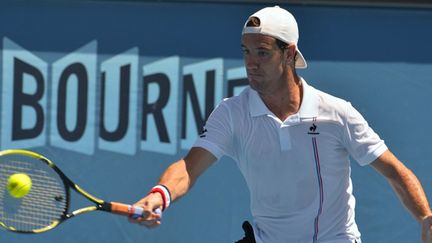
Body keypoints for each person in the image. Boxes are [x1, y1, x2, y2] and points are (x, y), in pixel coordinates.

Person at [129, 5, 432, 243]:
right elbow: (188, 167)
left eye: (262, 52)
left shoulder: (337, 114)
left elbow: (395, 171)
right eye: (246, 52)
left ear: (289, 54)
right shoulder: (231, 113)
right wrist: (160, 195)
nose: (251, 63)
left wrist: (426, 218)